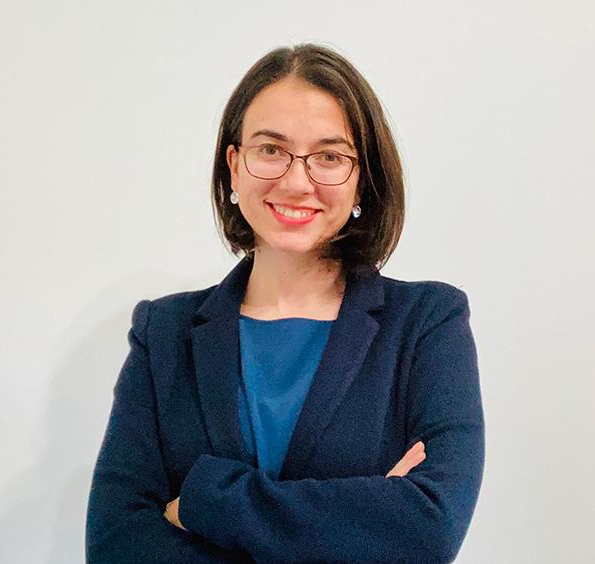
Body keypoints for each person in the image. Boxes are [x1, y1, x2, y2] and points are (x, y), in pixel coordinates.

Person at [85, 43, 485, 563]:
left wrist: (204, 500)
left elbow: (429, 530)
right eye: (270, 149)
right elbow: (115, 543)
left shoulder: (428, 324)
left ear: (363, 176)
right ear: (234, 166)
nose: (297, 181)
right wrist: (360, 524)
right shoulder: (163, 331)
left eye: (330, 156)